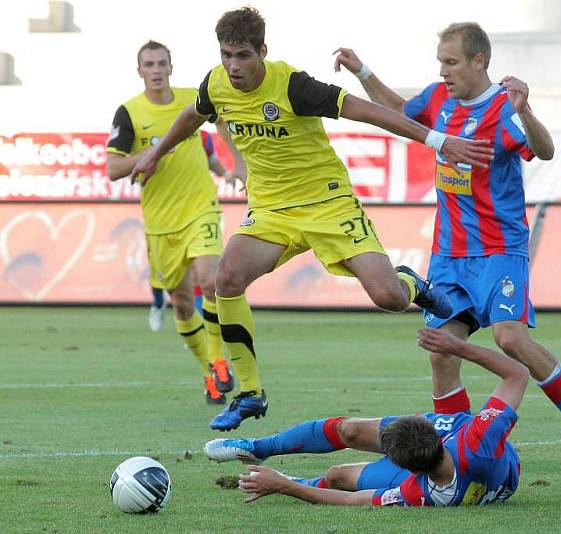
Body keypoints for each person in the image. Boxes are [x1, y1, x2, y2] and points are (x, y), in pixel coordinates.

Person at [130, 8, 494, 432]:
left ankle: (413, 284)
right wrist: (157, 152)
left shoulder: (294, 85)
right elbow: (195, 113)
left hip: (327, 204)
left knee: (389, 298)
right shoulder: (215, 83)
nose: (233, 65)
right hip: (270, 210)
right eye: (227, 54)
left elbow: (364, 111)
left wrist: (437, 140)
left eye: (243, 55)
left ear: (262, 52)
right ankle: (249, 393)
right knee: (224, 279)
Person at [333, 22, 561, 480]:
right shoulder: (438, 100)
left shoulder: (503, 107)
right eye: (441, 62)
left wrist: (529, 110)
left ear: (479, 61)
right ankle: (456, 450)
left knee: (509, 338)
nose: (443, 71)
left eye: (451, 62)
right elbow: (401, 110)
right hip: (449, 254)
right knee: (443, 352)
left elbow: (545, 149)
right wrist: (363, 71)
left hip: (500, 249)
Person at [204, 326, 528, 507]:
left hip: (467, 465)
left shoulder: (420, 493)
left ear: (402, 468)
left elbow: (353, 501)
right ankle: (258, 447)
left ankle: (276, 476)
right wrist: (455, 347)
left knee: (337, 477)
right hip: (481, 462)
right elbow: (517, 375)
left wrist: (284, 485)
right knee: (353, 429)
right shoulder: (478, 439)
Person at [107, 40, 236, 405]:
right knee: (180, 304)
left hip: (201, 208)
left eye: (162, 63)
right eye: (149, 64)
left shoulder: (192, 100)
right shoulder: (129, 113)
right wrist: (154, 152)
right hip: (161, 223)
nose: (157, 70)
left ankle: (218, 360)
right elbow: (114, 167)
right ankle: (208, 374)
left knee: (211, 282)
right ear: (140, 71)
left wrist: (235, 166)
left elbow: (222, 123)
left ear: (171, 67)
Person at [148, 130, 236, 331]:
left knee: (203, 276)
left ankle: (203, 325)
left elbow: (212, 161)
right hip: (163, 215)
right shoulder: (151, 128)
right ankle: (157, 302)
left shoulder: (203, 136)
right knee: (161, 274)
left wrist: (227, 174)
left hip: (199, 210)